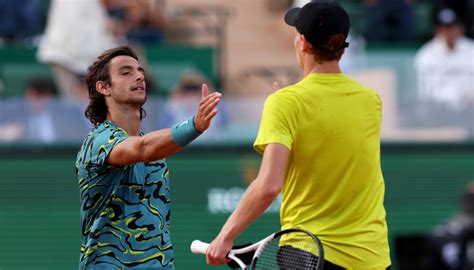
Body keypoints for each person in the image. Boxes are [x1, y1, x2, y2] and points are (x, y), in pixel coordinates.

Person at [205, 1, 391, 269]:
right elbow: (331, 145)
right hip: (372, 257)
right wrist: (287, 105)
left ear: (302, 43)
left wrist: (225, 237)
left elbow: (269, 186)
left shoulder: (286, 104)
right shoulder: (371, 101)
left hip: (309, 254)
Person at [75, 46, 221, 269]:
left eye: (140, 71)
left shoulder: (154, 148)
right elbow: (142, 149)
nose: (139, 76)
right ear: (104, 87)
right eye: (126, 72)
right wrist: (194, 126)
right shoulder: (98, 141)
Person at [37, 0, 119, 100]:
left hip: (80, 58)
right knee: (75, 106)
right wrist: (105, 27)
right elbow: (73, 32)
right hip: (67, 58)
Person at [414, 8, 474, 126]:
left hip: (469, 110)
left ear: (460, 29)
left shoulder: (471, 50)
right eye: (445, 28)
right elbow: (424, 92)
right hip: (438, 112)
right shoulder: (426, 54)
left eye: (452, 27)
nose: (449, 32)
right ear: (437, 30)